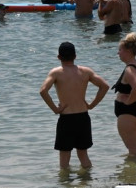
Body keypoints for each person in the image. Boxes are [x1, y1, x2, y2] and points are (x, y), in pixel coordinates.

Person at [39, 42, 110, 170]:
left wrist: (55, 109)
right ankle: (87, 182)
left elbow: (43, 91)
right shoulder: (85, 71)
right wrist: (92, 105)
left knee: (64, 159)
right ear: (75, 56)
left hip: (66, 119)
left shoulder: (56, 73)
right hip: (83, 117)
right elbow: (104, 86)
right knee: (83, 155)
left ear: (59, 57)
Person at [113, 33, 136, 157]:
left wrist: (129, 102)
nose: (118, 53)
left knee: (134, 153)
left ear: (128, 51)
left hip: (129, 113)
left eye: (120, 50)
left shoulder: (130, 69)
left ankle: (132, 176)